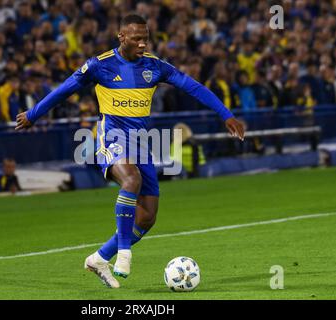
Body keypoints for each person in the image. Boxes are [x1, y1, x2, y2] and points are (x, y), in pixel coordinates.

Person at [15, 14, 245, 289]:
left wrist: (226, 114)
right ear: (121, 37)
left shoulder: (155, 67)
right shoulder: (99, 66)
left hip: (140, 144)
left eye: (145, 39)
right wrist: (33, 114)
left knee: (147, 216)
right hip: (110, 138)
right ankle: (124, 253)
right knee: (131, 180)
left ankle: (100, 258)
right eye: (136, 39)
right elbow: (64, 90)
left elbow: (192, 86)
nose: (142, 44)